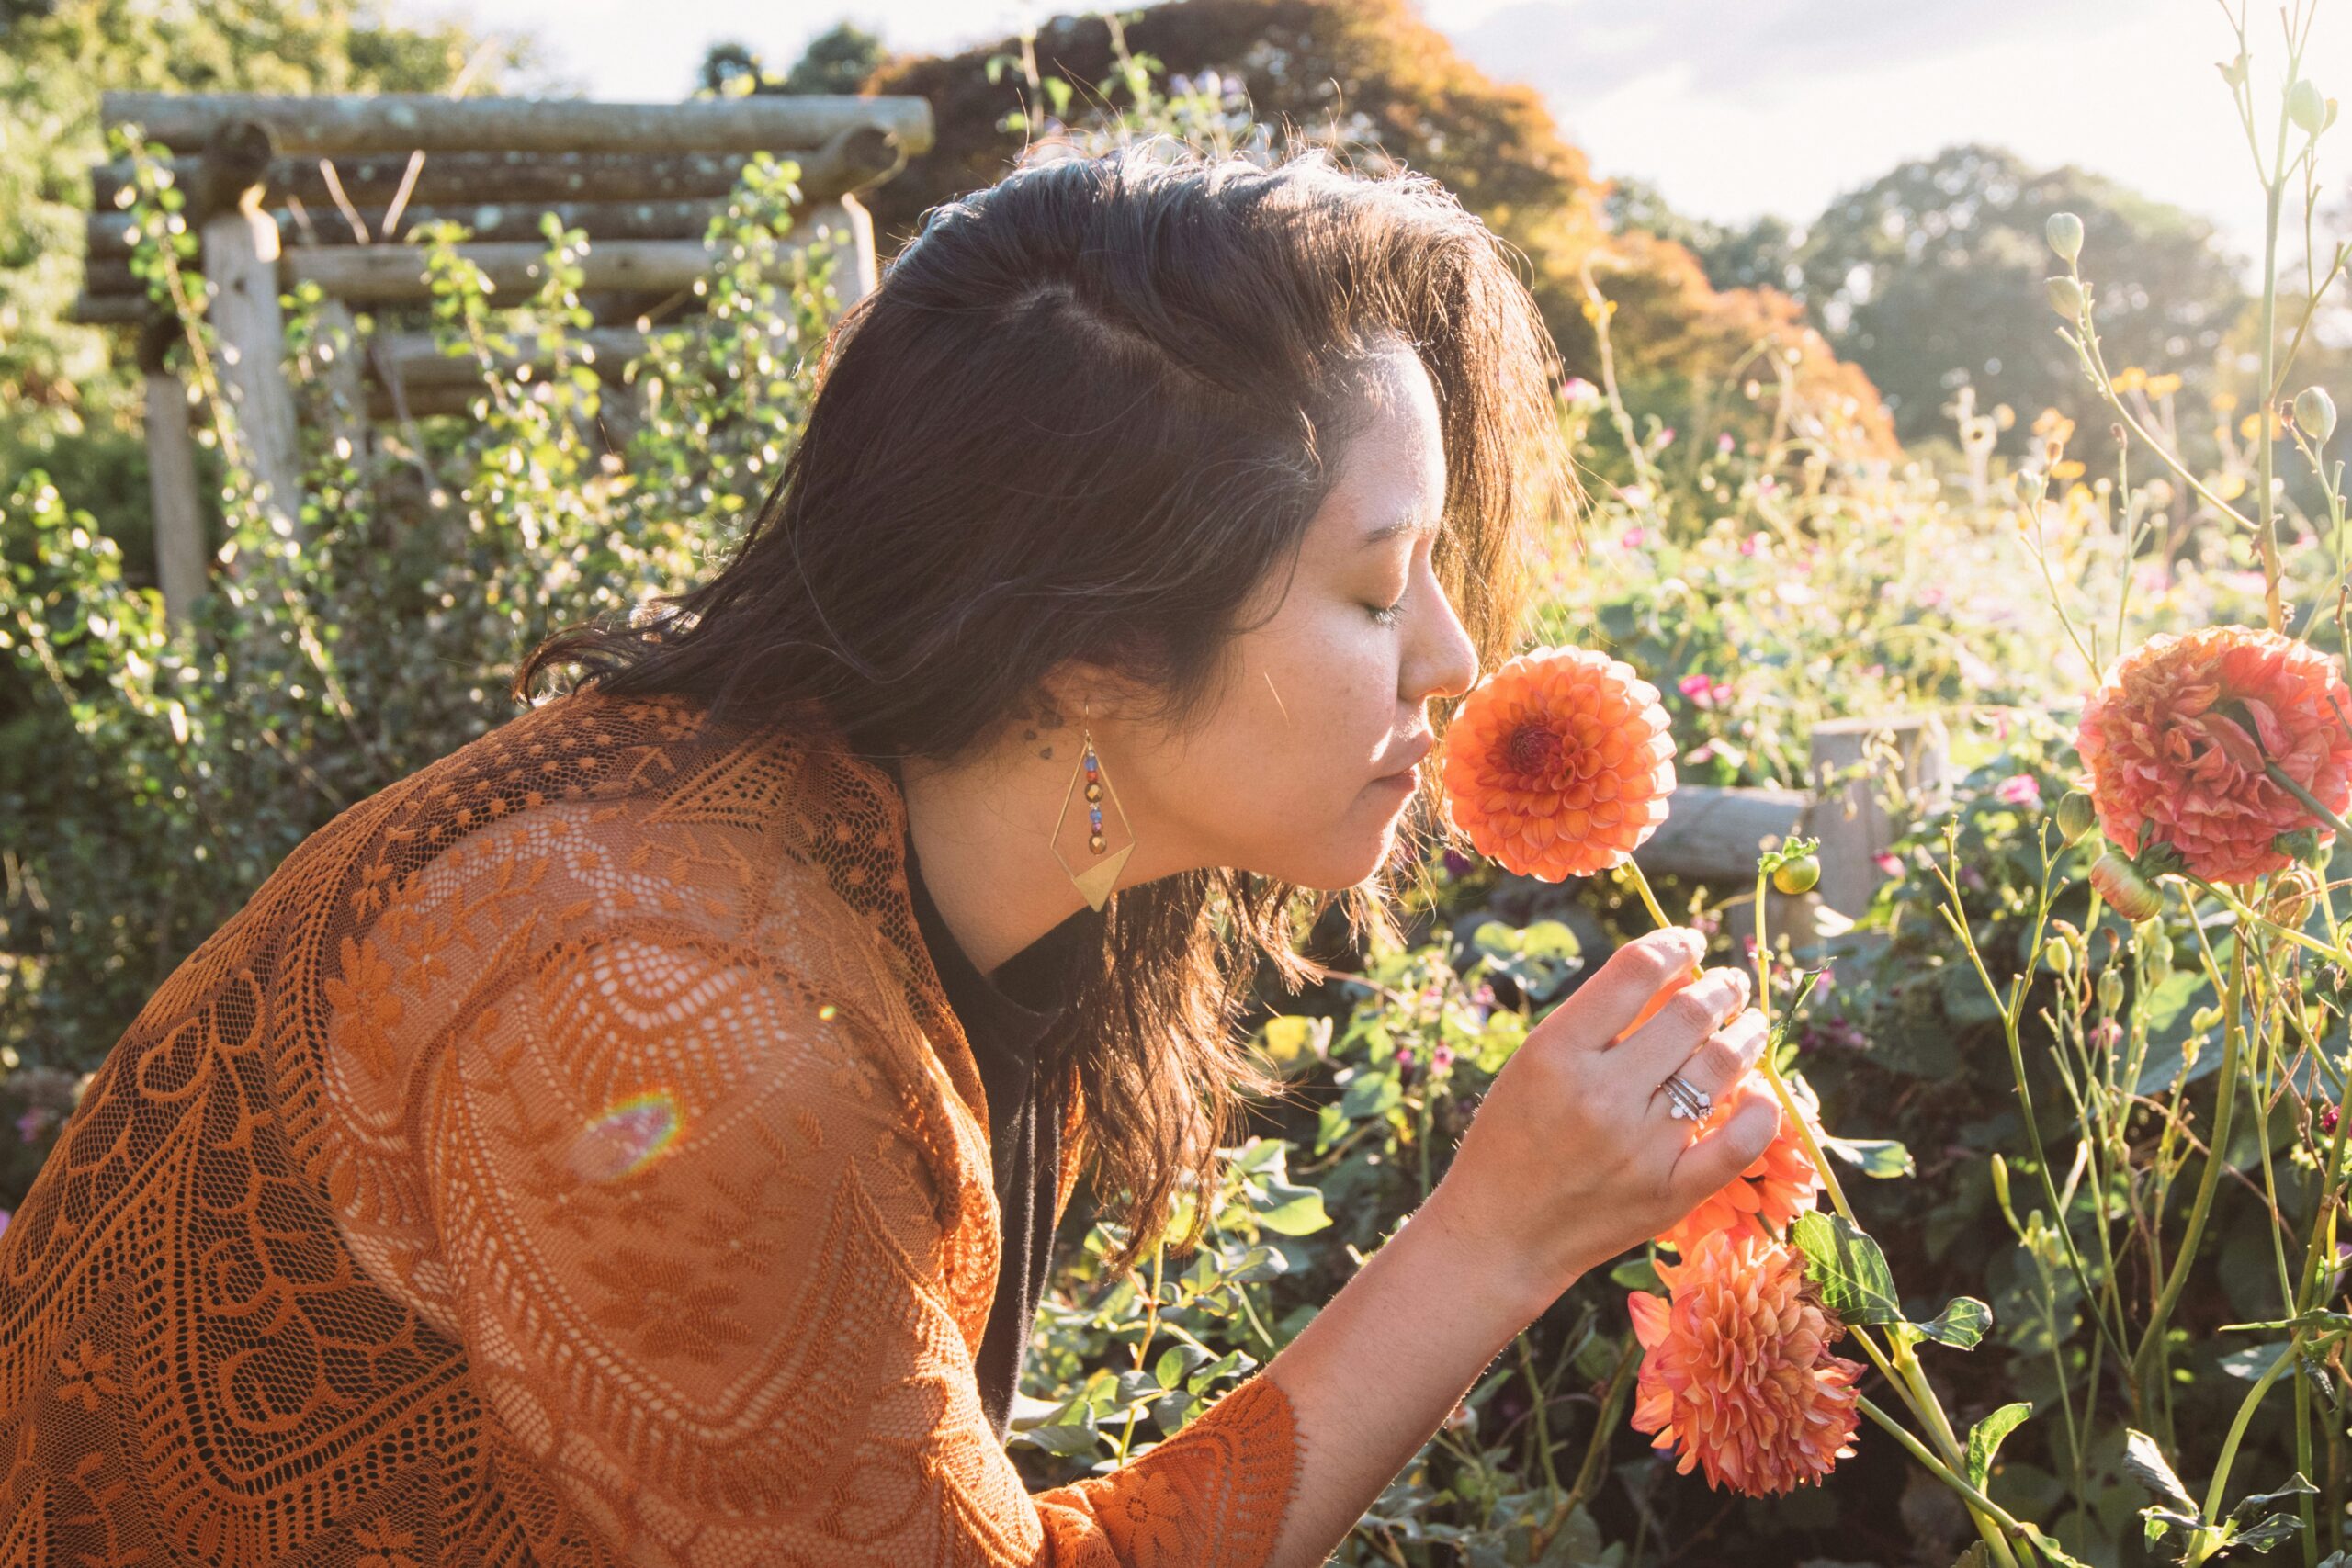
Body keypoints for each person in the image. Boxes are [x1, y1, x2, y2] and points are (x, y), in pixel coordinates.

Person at [0, 143, 1776, 1566]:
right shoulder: (675, 1036)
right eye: (1378, 587)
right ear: (1085, 649)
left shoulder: (935, 867)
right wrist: (1489, 1243)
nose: (1458, 656)